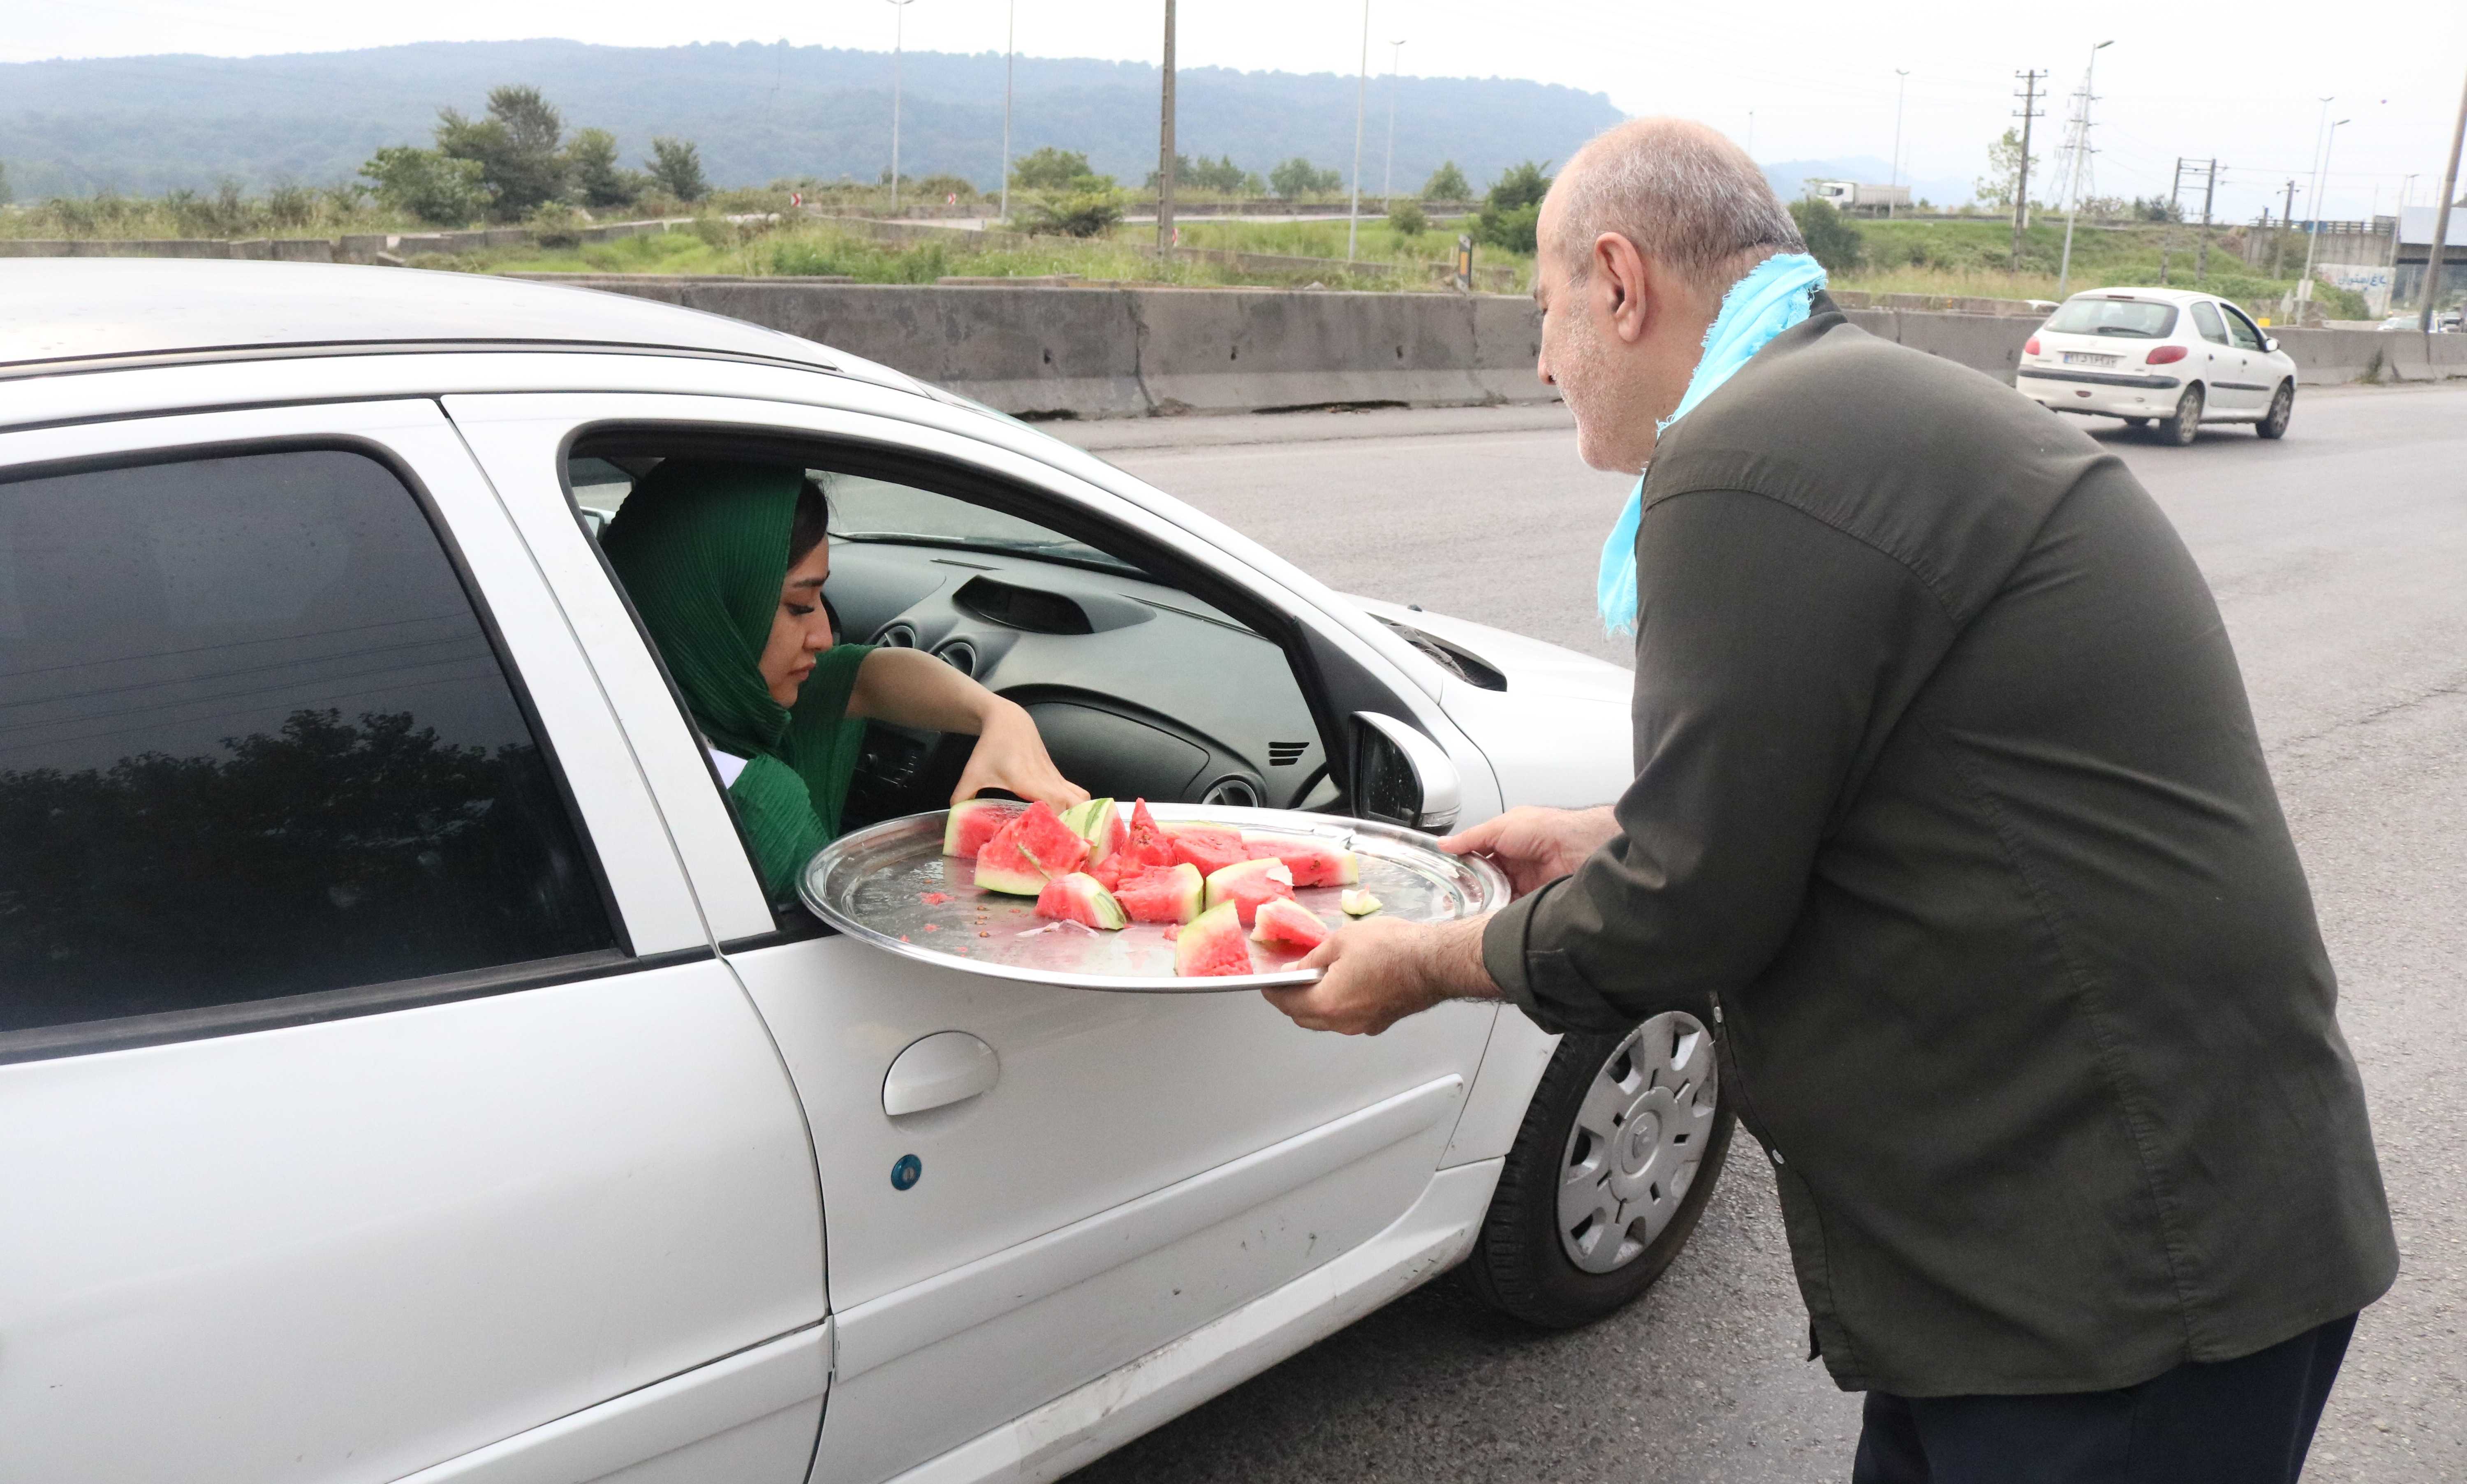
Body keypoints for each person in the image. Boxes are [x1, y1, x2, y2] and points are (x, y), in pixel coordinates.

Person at [1264, 119, 2395, 1482]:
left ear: (1620, 283)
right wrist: (1608, 838)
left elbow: (1686, 916)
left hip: (2121, 1286)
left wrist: (1418, 964)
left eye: (1545, 312)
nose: (1544, 362)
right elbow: (1867, 791)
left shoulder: (1747, 458)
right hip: (2066, 1263)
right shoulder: (1851, 410)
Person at [601, 459, 1084, 898]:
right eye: (799, 606)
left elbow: (861, 679)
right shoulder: (755, 805)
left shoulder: (636, 714)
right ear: (709, 612)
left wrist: (998, 714)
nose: (821, 637)